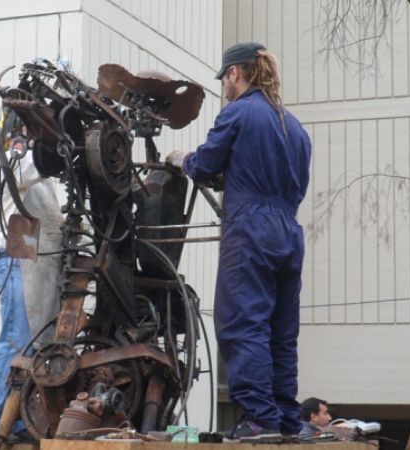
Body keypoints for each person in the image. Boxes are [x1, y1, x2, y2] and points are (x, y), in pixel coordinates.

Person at [167, 41, 311, 439]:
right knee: (280, 330)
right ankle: (285, 418)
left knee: (242, 323)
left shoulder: (238, 114)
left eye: (224, 80)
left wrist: (181, 159)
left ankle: (260, 418)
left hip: (250, 230)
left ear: (235, 73)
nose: (224, 88)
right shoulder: (295, 126)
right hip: (288, 231)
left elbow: (206, 163)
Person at [0, 109, 62, 440]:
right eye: (27, 131)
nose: (31, 137)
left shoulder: (33, 174)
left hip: (31, 265)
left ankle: (14, 419)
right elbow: (31, 165)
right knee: (16, 337)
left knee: (31, 342)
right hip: (14, 260)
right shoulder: (8, 165)